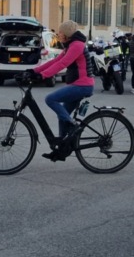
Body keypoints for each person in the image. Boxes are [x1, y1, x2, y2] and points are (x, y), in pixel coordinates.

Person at [30, 19, 95, 161]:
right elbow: (55, 61)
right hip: (77, 85)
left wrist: (43, 75)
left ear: (67, 34)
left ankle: (73, 126)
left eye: (60, 32)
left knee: (50, 99)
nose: (58, 34)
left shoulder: (77, 45)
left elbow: (63, 63)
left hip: (82, 85)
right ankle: (62, 147)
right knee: (62, 115)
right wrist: (34, 71)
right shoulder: (70, 45)